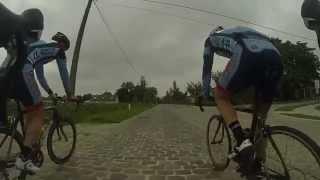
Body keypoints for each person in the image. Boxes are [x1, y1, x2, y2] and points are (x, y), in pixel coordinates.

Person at [201, 26, 283, 174]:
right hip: (275, 55)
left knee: (220, 95)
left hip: (247, 52)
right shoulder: (237, 31)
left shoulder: (211, 40)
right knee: (260, 119)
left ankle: (241, 141)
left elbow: (207, 69)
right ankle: (258, 163)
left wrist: (205, 93)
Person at [11, 9, 77, 173]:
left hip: (9, 75)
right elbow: (63, 73)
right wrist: (70, 94)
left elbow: (39, 75)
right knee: (39, 112)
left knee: (29, 115)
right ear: (63, 45)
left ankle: (27, 144)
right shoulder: (57, 50)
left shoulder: (36, 46)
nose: (64, 50)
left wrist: (49, 92)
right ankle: (25, 157)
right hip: (22, 75)